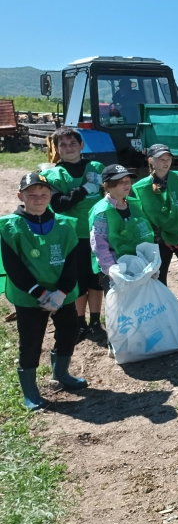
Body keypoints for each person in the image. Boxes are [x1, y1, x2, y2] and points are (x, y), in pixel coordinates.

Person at [2, 173, 83, 410]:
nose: (38, 199)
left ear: (51, 196)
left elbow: (71, 263)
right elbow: (14, 267)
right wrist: (40, 293)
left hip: (62, 294)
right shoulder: (10, 227)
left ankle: (62, 374)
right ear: (20, 196)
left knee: (69, 331)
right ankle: (31, 391)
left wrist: (61, 292)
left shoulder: (65, 224)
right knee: (31, 341)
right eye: (31, 194)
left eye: (44, 194)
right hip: (28, 296)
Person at [42, 127, 107, 344]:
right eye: (63, 145)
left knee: (96, 279)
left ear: (81, 145)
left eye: (72, 143)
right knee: (78, 281)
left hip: (98, 234)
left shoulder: (97, 167)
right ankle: (80, 323)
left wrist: (105, 184)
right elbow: (59, 205)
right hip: (71, 237)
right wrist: (86, 188)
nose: (68, 148)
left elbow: (115, 193)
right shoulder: (54, 175)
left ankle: (96, 321)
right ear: (57, 149)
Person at [131, 144, 178, 315]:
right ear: (151, 160)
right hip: (159, 238)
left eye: (168, 159)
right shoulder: (140, 188)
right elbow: (142, 217)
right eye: (161, 159)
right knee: (159, 271)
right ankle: (161, 304)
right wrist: (162, 238)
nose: (165, 163)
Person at [89, 164, 156, 295]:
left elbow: (146, 234)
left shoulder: (134, 204)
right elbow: (99, 245)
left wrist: (150, 265)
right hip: (115, 268)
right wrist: (112, 272)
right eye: (120, 182)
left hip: (138, 265)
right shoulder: (101, 211)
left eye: (128, 181)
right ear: (107, 185)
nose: (126, 185)